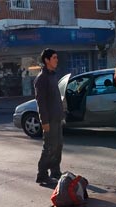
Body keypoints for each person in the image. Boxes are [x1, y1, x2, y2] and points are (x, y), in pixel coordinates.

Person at [34, 48, 65, 184]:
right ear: (46, 60)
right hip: (49, 120)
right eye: (54, 58)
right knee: (49, 147)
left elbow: (56, 98)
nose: (57, 60)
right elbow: (41, 102)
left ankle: (55, 171)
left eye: (57, 57)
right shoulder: (42, 78)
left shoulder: (52, 75)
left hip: (57, 117)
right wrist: (44, 121)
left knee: (58, 146)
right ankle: (42, 174)